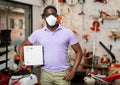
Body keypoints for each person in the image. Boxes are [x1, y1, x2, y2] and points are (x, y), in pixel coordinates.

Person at [18, 5, 82, 85]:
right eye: (48, 15)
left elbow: (79, 52)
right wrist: (21, 60)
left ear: (57, 16)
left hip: (63, 75)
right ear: (44, 17)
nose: (51, 17)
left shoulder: (68, 32)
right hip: (45, 74)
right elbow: (23, 45)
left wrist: (73, 71)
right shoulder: (38, 33)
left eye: (53, 14)